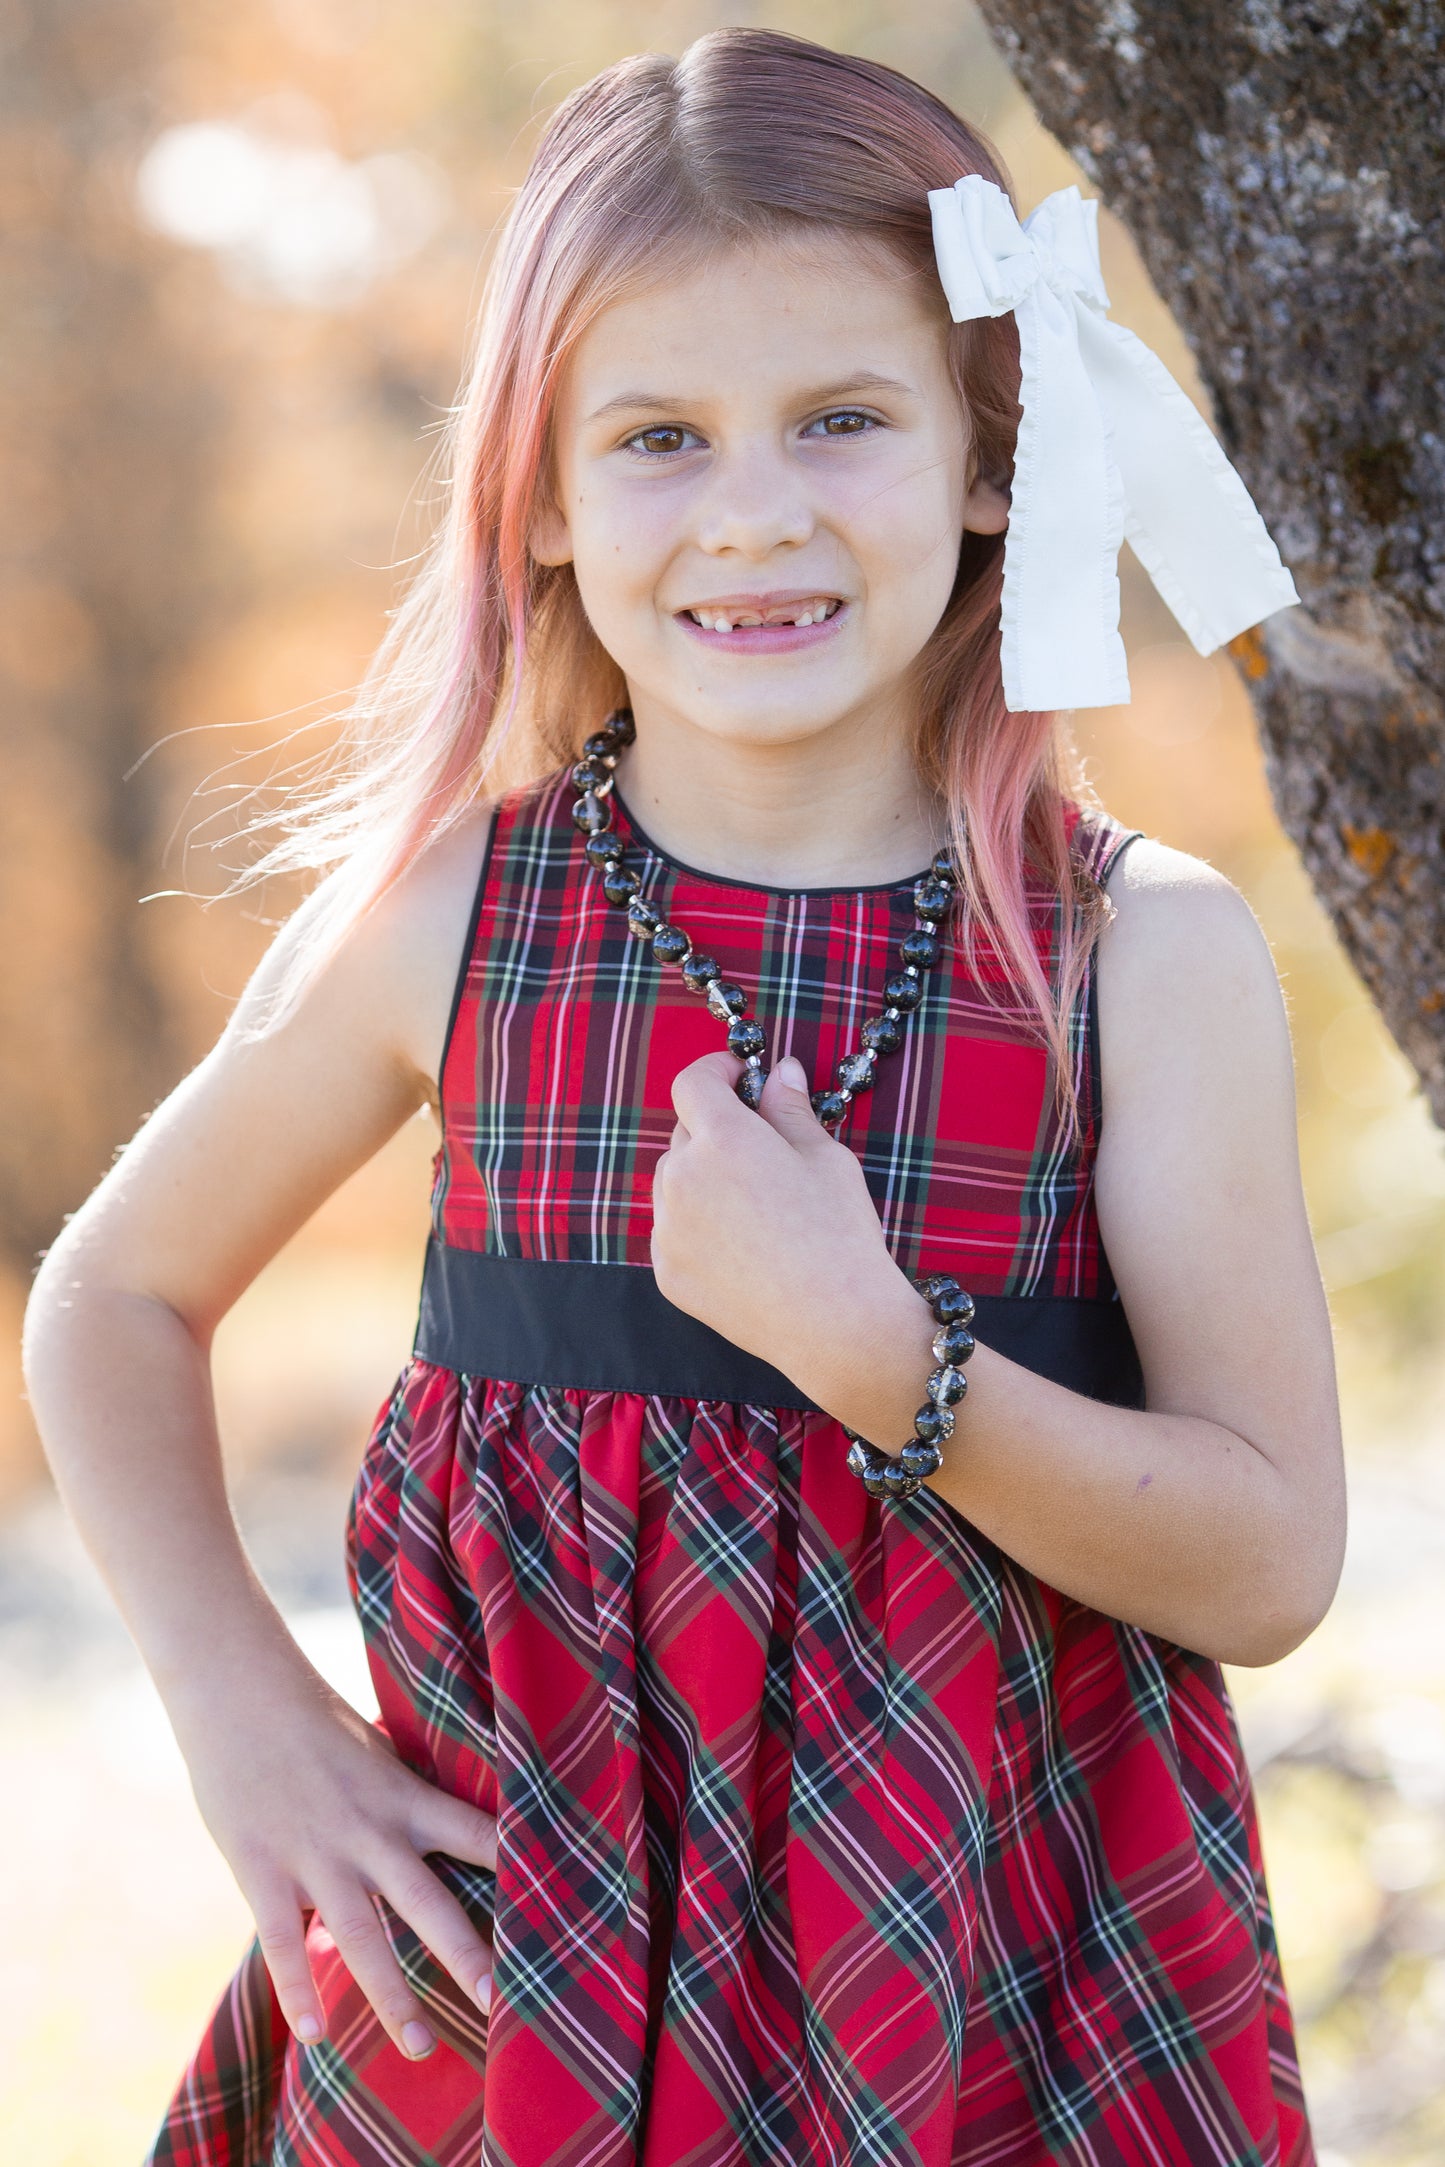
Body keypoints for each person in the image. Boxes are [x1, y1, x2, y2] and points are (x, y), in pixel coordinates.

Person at [23, 26, 1343, 2167]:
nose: (755, 512)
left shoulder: (1137, 957)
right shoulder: (453, 922)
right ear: (537, 494)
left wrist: (875, 1352)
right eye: (657, 436)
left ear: (992, 450)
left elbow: (1273, 1559)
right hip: (527, 1977)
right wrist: (247, 1728)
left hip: (993, 1977)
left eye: (843, 418)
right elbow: (108, 1300)